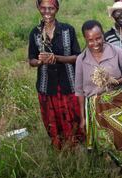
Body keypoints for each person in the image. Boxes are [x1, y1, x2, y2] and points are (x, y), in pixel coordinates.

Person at [75, 20, 122, 166]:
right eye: (90, 40)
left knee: (121, 136)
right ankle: (109, 167)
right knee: (102, 142)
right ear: (85, 39)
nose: (95, 43)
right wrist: (82, 118)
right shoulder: (81, 60)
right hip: (94, 108)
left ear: (103, 35)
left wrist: (116, 81)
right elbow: (80, 90)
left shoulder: (117, 53)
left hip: (116, 103)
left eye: (98, 38)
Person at [28, 0, 83, 150]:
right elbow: (31, 60)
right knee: (53, 120)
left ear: (56, 8)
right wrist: (39, 62)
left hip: (68, 84)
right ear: (38, 8)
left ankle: (76, 147)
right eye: (43, 8)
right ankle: (60, 148)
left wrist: (56, 58)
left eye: (51, 8)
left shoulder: (67, 30)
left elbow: (77, 57)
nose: (47, 12)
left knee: (74, 117)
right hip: (47, 86)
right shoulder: (35, 32)